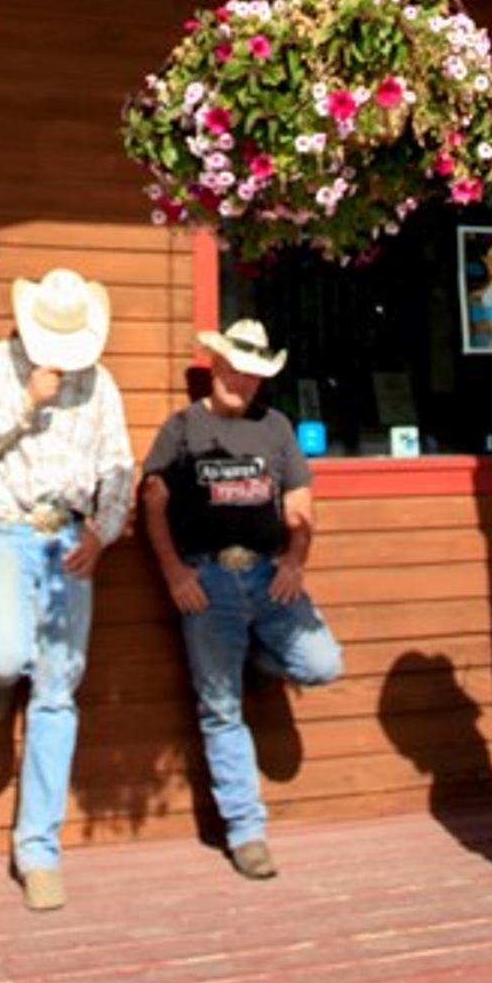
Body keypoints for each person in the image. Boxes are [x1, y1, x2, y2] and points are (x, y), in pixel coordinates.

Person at [0, 267, 135, 912]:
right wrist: (26, 401)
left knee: (58, 692)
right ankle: (1, 681)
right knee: (4, 655)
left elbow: (118, 464)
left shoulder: (100, 382)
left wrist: (103, 532)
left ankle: (38, 850)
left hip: (67, 535)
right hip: (6, 525)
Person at [141, 318, 344, 880]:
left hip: (267, 577)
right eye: (235, 370)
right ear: (215, 366)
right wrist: (174, 573)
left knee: (323, 664)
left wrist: (295, 559)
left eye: (253, 374)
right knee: (220, 709)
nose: (242, 382)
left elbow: (300, 502)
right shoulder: (182, 428)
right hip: (207, 581)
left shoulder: (275, 428)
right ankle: (246, 832)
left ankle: (261, 659)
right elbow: (152, 502)